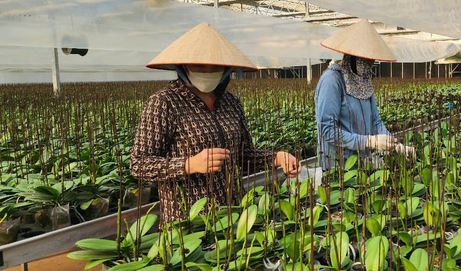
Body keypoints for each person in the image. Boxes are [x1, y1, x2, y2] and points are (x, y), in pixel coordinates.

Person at [131, 22, 300, 222]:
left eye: (215, 65)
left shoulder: (231, 102)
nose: (208, 70)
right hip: (188, 221)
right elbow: (139, 164)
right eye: (200, 64)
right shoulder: (164, 103)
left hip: (234, 212)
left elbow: (243, 155)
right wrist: (188, 165)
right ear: (183, 65)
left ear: (226, 68)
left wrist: (276, 158)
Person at [315, 19, 415, 170]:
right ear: (354, 56)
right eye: (368, 58)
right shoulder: (332, 81)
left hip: (363, 163)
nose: (372, 62)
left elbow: (376, 122)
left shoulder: (363, 81)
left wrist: (395, 145)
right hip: (338, 167)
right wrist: (369, 141)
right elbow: (327, 130)